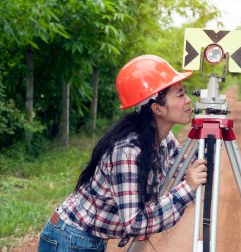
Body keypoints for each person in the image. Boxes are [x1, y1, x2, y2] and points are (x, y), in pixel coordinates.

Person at [38, 55, 207, 251]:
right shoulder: (128, 151)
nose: (188, 101)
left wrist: (210, 135)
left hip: (86, 238)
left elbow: (188, 170)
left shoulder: (163, 140)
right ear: (157, 108)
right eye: (180, 95)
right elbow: (135, 223)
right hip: (69, 238)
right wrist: (187, 188)